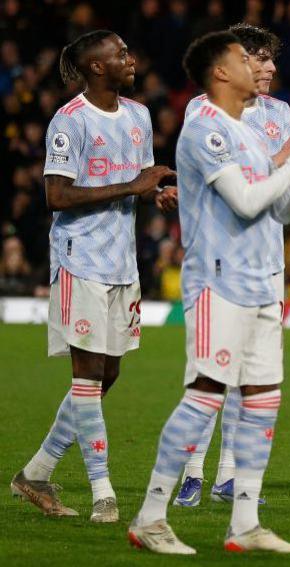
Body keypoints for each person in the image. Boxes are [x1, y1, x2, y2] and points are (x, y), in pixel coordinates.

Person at [127, 30, 290, 554]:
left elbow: (282, 208)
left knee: (262, 399)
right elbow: (245, 201)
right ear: (220, 72)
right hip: (218, 282)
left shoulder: (249, 131)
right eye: (246, 58)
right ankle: (150, 516)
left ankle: (245, 523)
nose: (261, 66)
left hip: (264, 280)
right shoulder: (205, 128)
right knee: (205, 396)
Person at [10, 30, 176, 523]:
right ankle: (103, 492)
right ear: (96, 66)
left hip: (122, 261)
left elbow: (141, 181)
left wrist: (157, 194)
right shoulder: (70, 121)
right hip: (78, 259)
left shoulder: (139, 115)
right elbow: (56, 196)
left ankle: (35, 474)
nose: (130, 59)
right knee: (86, 376)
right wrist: (133, 185)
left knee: (109, 373)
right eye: (120, 53)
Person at [173, 22, 290, 509]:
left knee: (252, 375)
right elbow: (244, 188)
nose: (269, 67)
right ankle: (190, 474)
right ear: (232, 65)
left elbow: (283, 202)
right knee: (209, 373)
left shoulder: (279, 112)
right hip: (218, 260)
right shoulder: (203, 112)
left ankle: (228, 476)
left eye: (270, 58)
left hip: (267, 259)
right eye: (258, 58)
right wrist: (289, 157)